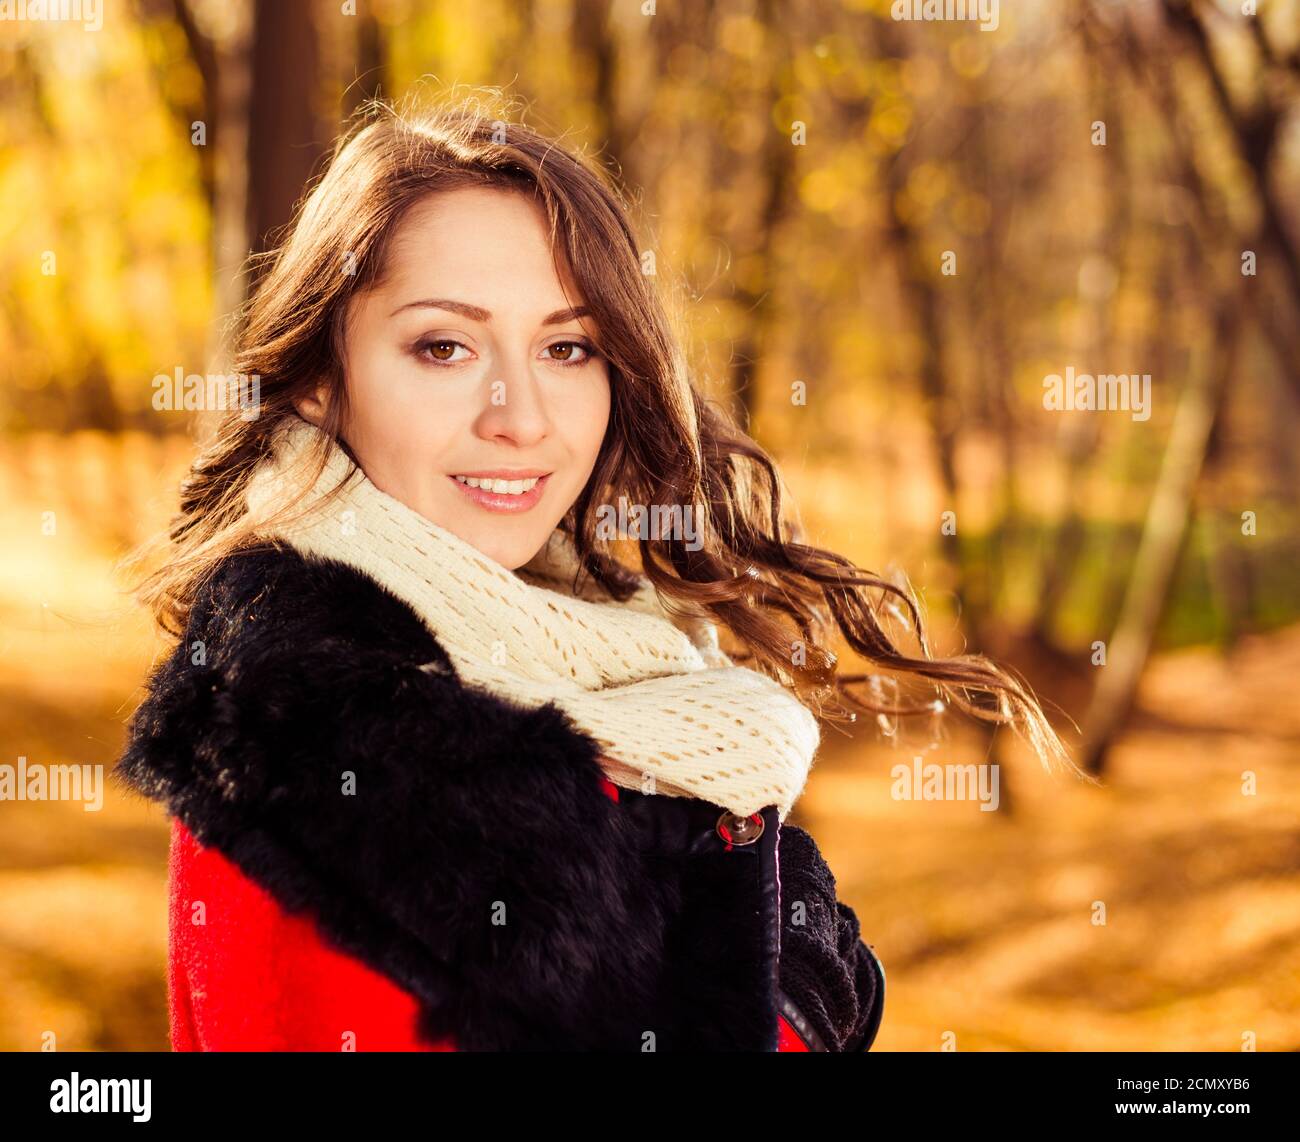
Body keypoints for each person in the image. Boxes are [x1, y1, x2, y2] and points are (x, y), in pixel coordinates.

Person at [114, 93, 1081, 1052]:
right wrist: (782, 1007)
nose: (521, 416)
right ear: (323, 382)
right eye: (443, 347)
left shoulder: (595, 654)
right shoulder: (308, 731)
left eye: (566, 348)